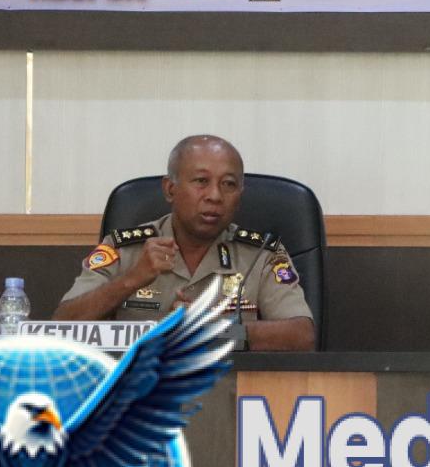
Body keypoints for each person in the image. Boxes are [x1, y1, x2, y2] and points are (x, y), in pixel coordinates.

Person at [55, 135, 317, 351]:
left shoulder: (261, 254)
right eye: (201, 182)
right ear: (170, 189)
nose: (215, 196)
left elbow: (302, 336)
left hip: (229, 392)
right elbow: (62, 325)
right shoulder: (124, 249)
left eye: (228, 184)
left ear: (240, 194)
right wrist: (131, 280)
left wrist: (218, 330)